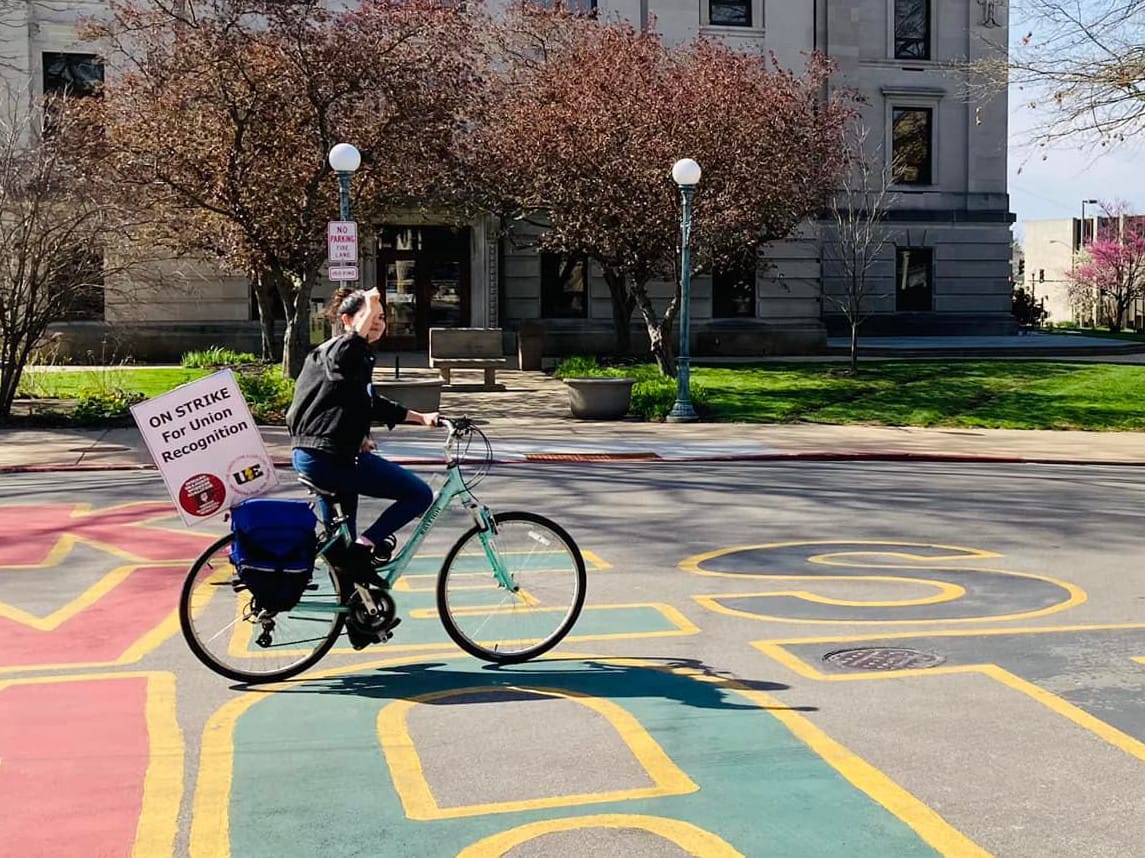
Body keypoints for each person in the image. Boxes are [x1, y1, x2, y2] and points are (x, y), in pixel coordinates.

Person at [286, 286, 437, 645]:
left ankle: (358, 621)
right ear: (347, 321)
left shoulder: (342, 358)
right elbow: (352, 347)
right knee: (419, 494)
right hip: (328, 460)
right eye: (371, 317)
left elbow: (365, 402)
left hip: (319, 455)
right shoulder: (342, 348)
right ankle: (365, 548)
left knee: (343, 554)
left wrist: (421, 417)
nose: (378, 323)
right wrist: (370, 302)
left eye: (382, 318)